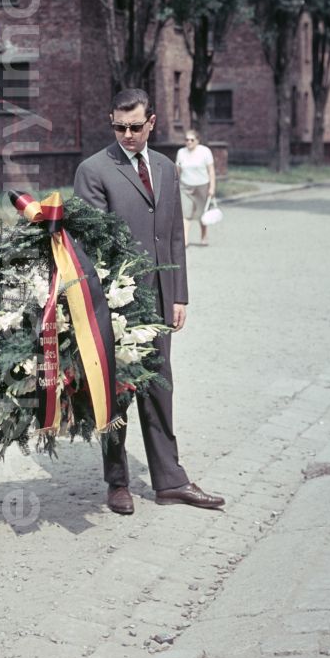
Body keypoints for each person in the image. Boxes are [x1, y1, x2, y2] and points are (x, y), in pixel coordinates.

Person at [73, 88, 225, 516]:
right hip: (117, 303)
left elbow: (174, 234)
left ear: (151, 123)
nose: (127, 135)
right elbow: (94, 243)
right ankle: (117, 481)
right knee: (117, 393)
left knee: (159, 387)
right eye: (118, 127)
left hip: (160, 299)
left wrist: (178, 296)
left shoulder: (165, 167)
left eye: (135, 127)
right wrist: (109, 302)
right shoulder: (94, 170)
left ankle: (170, 481)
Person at [175, 129, 216, 246]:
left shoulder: (205, 151)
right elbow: (178, 170)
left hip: (202, 186)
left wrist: (212, 188)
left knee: (202, 213)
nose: (189, 142)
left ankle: (204, 236)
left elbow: (211, 171)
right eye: (186, 140)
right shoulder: (181, 152)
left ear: (198, 141)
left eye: (192, 140)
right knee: (185, 213)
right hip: (185, 186)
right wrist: (175, 185)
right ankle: (185, 240)